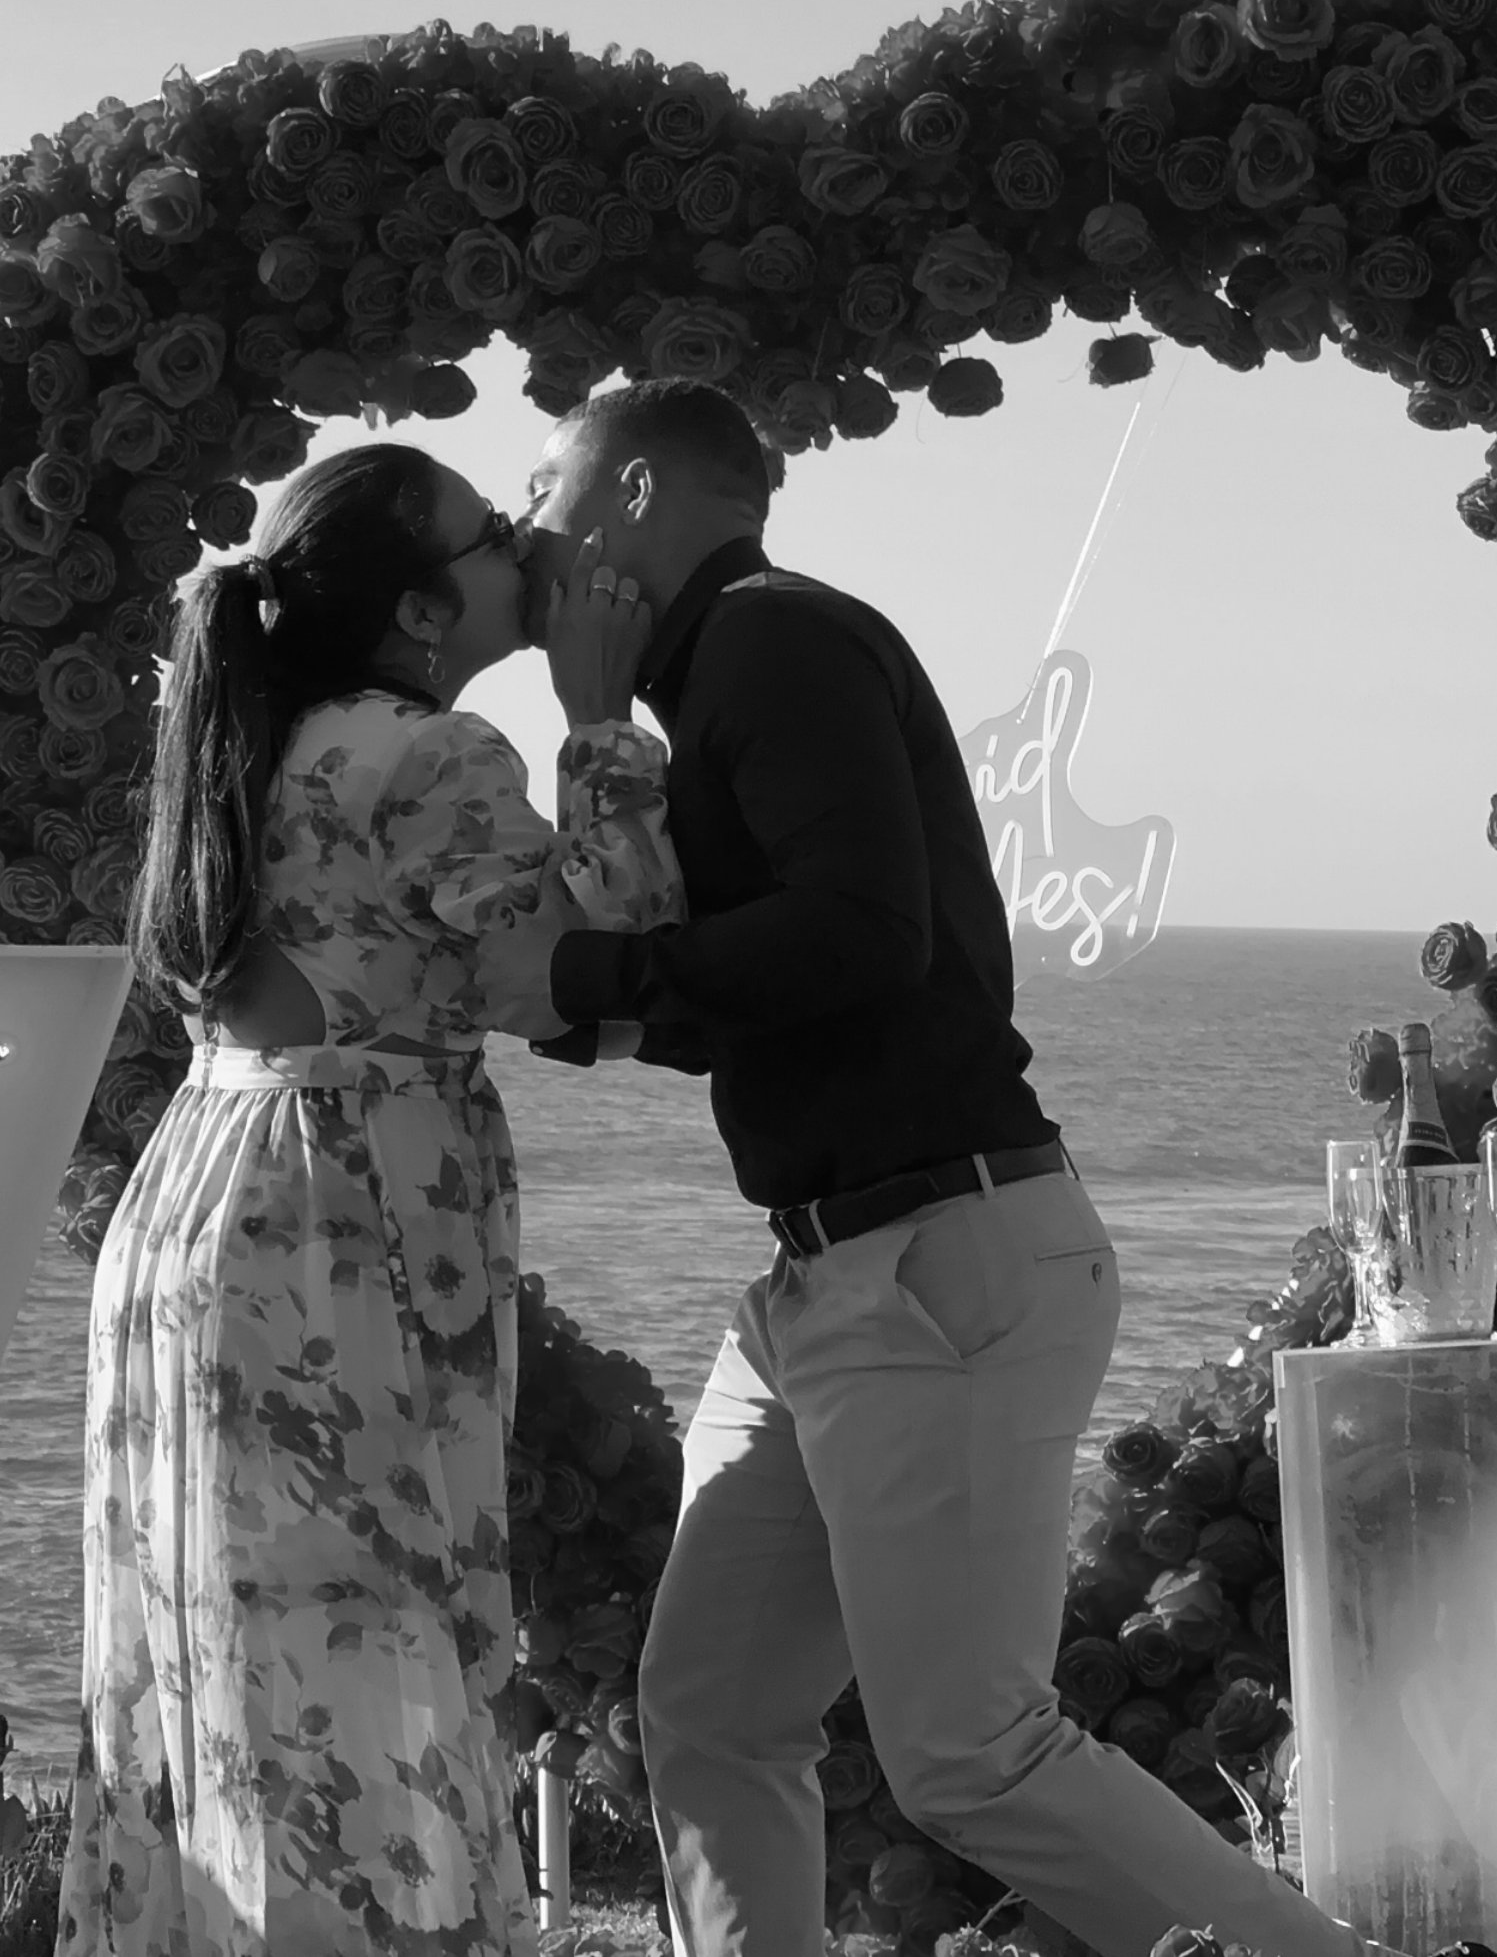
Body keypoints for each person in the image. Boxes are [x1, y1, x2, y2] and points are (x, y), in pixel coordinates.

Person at [520, 379, 1398, 1957]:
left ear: (637, 496)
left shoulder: (771, 642)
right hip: (835, 1276)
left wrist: (583, 984)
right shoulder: (720, 669)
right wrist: (595, 815)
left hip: (933, 1260)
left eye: (546, 482)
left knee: (971, 1751)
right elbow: (737, 983)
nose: (528, 522)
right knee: (712, 1712)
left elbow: (858, 939)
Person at [55, 442, 681, 1957]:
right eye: (489, 538)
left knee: (224, 1662)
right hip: (342, 1212)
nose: (525, 544)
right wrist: (601, 719)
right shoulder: (427, 754)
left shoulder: (254, 741)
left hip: (206, 1191)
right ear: (416, 610)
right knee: (363, 1651)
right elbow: (610, 977)